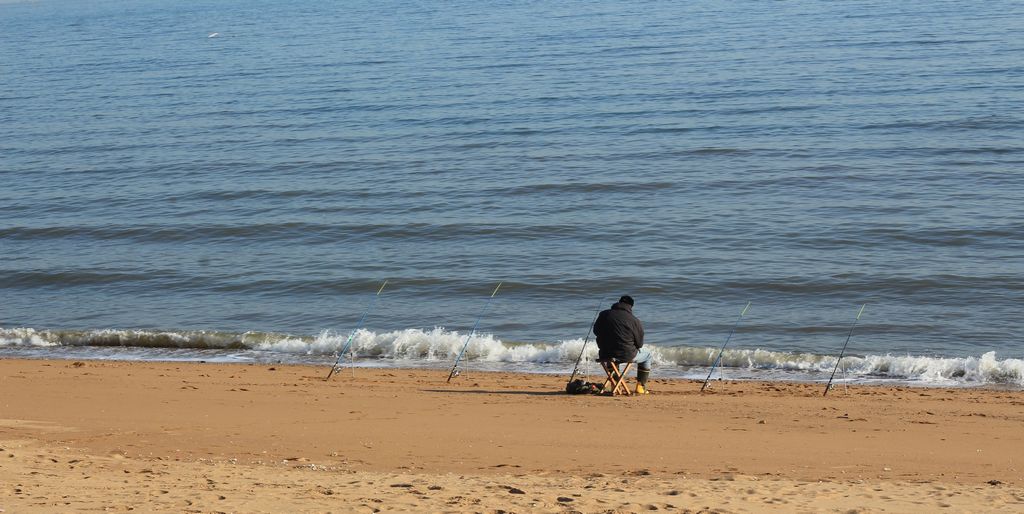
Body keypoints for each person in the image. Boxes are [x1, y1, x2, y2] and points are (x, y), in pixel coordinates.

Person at [593, 295, 652, 394]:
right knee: (648, 355)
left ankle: (615, 384)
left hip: (605, 354)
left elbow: (595, 331)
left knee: (612, 355)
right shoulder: (634, 320)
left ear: (618, 302)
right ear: (631, 306)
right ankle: (640, 386)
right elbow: (640, 344)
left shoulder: (603, 314)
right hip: (625, 355)